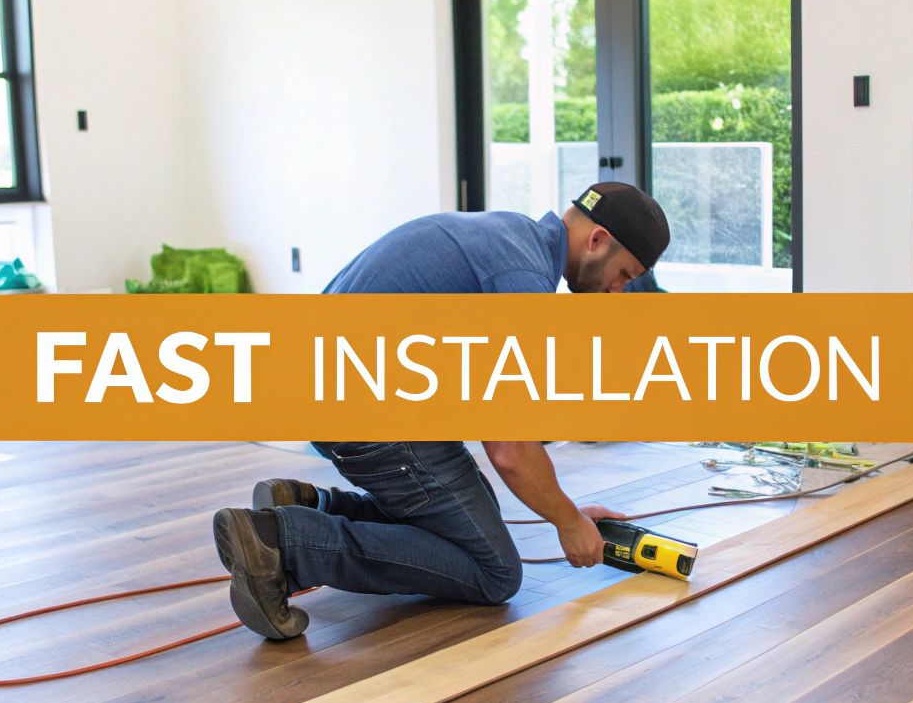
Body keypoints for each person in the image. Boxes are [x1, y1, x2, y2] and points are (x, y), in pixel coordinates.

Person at [211, 182, 672, 639]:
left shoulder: (509, 237)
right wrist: (568, 522)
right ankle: (283, 543)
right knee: (493, 571)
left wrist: (566, 510)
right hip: (362, 413)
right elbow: (510, 450)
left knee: (473, 519)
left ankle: (314, 506)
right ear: (598, 240)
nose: (618, 290)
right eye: (625, 275)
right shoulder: (522, 282)